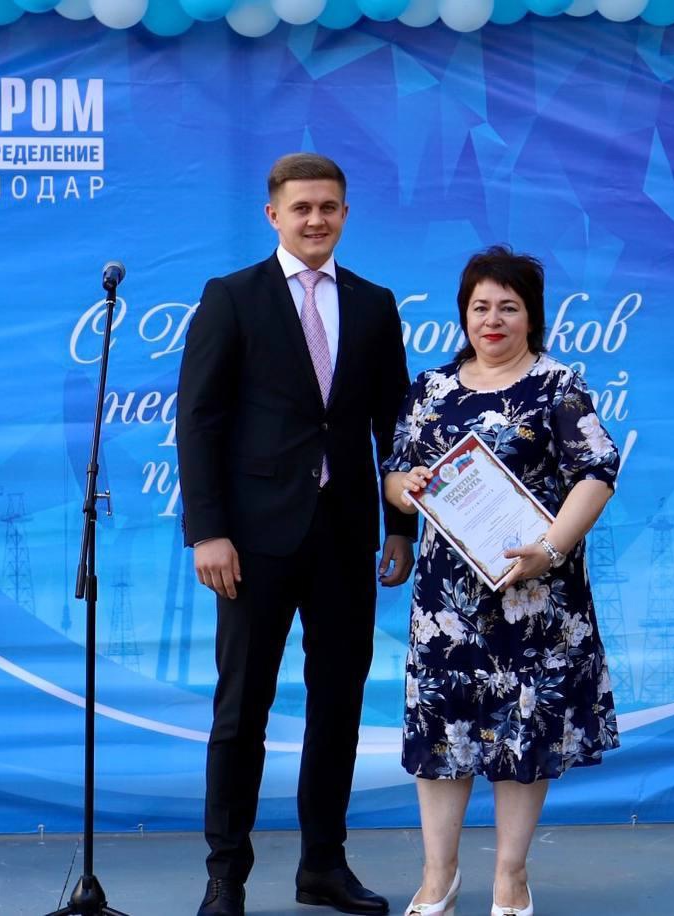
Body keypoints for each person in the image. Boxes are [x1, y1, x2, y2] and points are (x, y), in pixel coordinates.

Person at [177, 153, 416, 916]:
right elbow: (198, 420)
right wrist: (208, 532)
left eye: (329, 207)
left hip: (344, 537)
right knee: (240, 710)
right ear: (273, 214)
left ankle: (324, 866)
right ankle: (225, 876)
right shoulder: (232, 297)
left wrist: (401, 528)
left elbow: (395, 427)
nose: (316, 219)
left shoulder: (374, 304)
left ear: (346, 214)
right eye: (302, 207)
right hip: (251, 543)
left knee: (338, 705)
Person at [381, 246, 620, 916]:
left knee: (525, 735)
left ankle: (511, 878)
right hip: (447, 606)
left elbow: (597, 471)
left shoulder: (557, 385)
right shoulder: (432, 389)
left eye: (508, 308)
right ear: (464, 314)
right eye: (480, 307)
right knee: (442, 734)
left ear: (531, 317)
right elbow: (394, 475)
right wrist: (409, 486)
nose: (493, 320)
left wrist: (551, 547)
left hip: (536, 595)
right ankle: (438, 877)